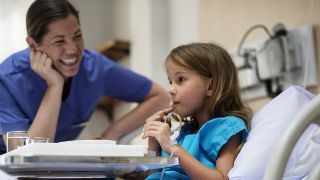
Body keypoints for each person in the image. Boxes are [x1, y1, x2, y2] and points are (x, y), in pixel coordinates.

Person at [0, 0, 170, 154]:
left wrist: (112, 133)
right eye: (59, 41)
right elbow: (25, 156)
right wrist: (54, 86)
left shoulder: (94, 67)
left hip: (56, 163)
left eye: (77, 36)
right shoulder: (7, 79)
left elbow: (160, 97)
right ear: (33, 45)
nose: (73, 50)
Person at [142, 42, 252, 179]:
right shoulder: (179, 132)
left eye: (180, 79)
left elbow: (222, 178)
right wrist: (153, 145)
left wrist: (173, 148)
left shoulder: (227, 128)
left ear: (210, 86)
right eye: (171, 82)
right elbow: (152, 174)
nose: (171, 90)